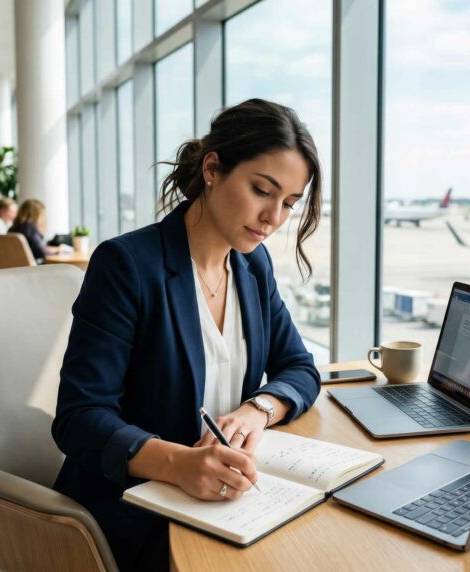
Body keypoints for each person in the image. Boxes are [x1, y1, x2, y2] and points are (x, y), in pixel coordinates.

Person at [51, 99, 324, 571]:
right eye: (263, 190)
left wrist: (257, 410)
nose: (274, 219)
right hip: (132, 513)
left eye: (289, 204)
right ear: (212, 168)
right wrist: (179, 464)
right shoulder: (127, 265)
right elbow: (79, 418)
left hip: (226, 503)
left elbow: (299, 367)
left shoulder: (252, 266)